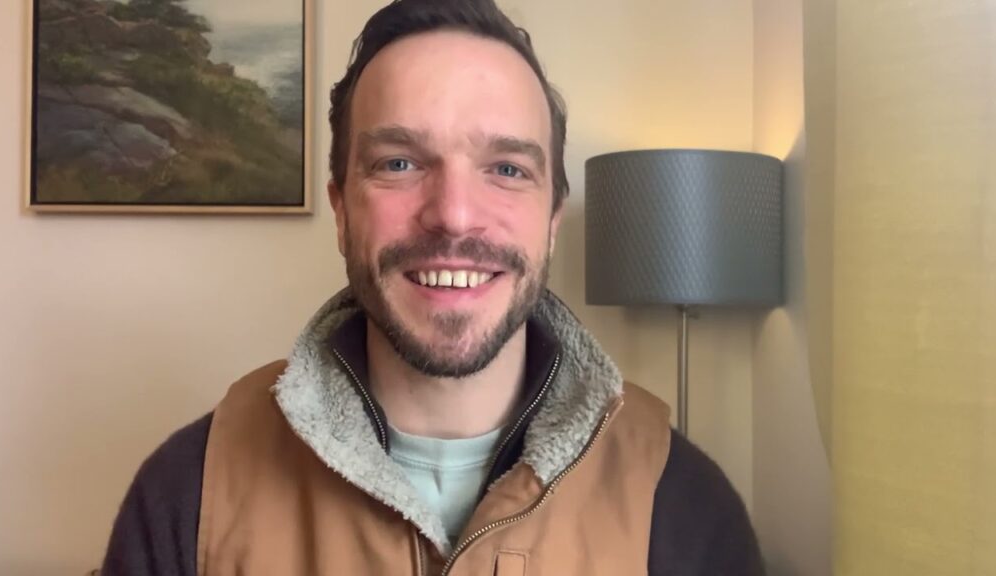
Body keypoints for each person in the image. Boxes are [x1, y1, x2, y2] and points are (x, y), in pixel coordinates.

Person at [101, 0, 764, 574]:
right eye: (399, 162)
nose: (452, 212)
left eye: (505, 168)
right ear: (342, 210)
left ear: (552, 222)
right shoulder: (188, 492)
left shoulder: (683, 503)